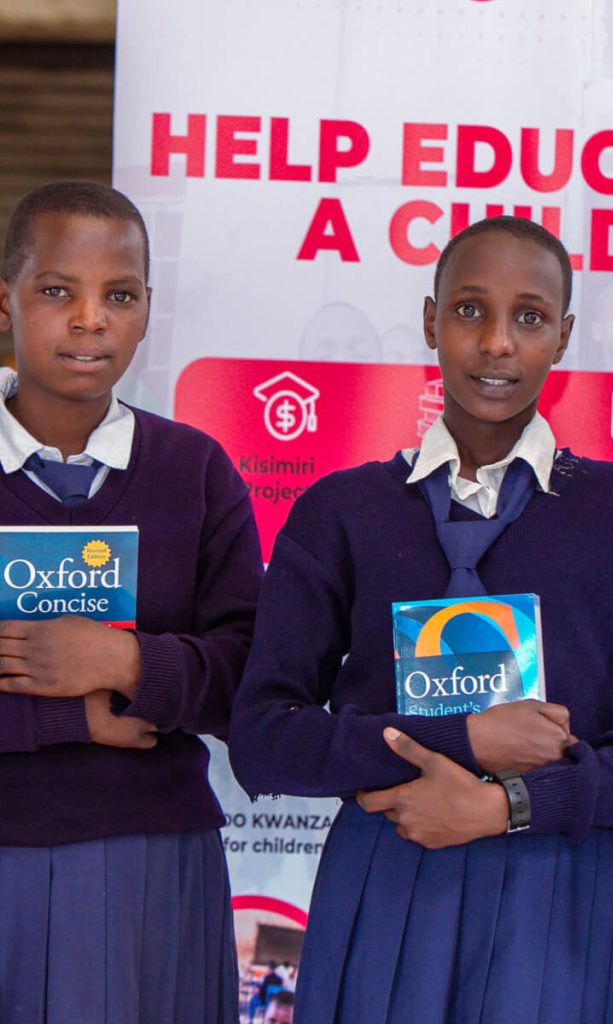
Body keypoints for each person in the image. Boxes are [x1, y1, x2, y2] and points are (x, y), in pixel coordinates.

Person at [229, 215, 613, 1023]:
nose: (496, 342)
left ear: (562, 337)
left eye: (528, 317)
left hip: (555, 885)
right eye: (469, 311)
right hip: (386, 871)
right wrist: (466, 740)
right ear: (430, 320)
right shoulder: (341, 512)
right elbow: (263, 737)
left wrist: (513, 804)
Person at [0, 181, 262, 1022]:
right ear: (4, 300)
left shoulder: (195, 468)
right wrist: (67, 719)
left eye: (118, 295)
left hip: (155, 858)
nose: (89, 319)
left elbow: (250, 675)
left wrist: (127, 661)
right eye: (56, 292)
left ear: (148, 308)